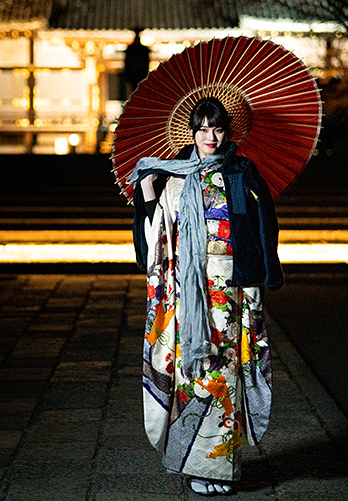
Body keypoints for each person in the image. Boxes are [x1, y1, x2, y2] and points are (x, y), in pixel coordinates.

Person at [130, 97, 283, 496]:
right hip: (187, 292)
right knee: (193, 374)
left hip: (229, 292)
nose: (210, 137)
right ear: (191, 132)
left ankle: (220, 467)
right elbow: (157, 236)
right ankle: (195, 465)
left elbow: (263, 224)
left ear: (227, 133)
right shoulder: (175, 177)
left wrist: (262, 274)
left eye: (217, 129)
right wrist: (147, 191)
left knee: (225, 374)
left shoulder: (240, 172)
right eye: (202, 129)